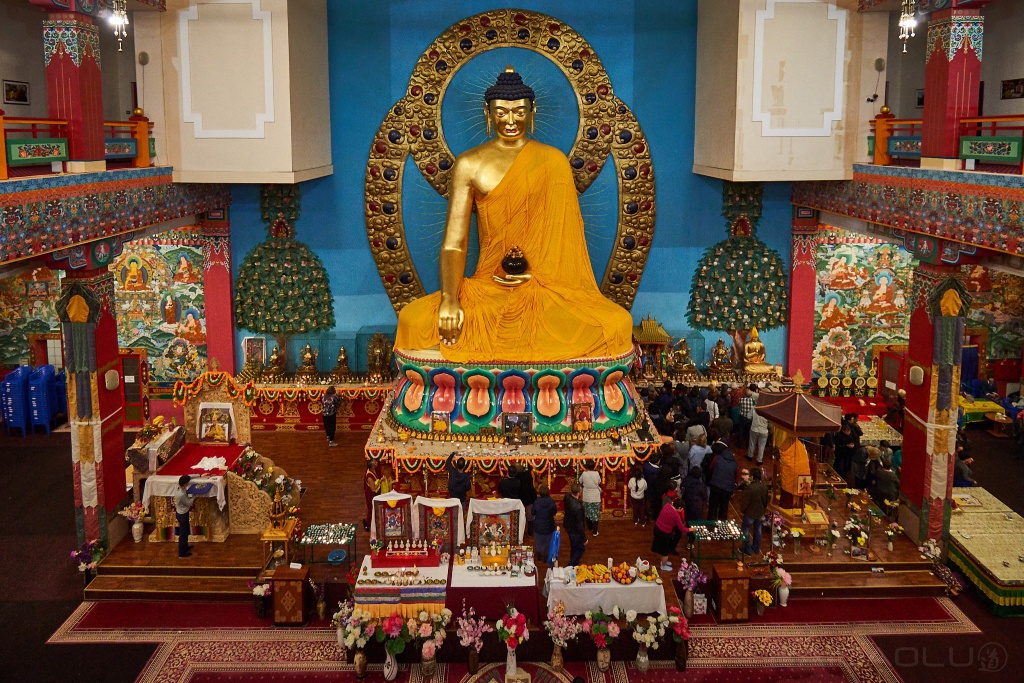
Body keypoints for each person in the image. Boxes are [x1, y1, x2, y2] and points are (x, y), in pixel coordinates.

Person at [394, 67, 633, 361]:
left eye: (519, 112)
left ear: (532, 112)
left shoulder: (553, 161)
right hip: (488, 288)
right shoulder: (469, 164)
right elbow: (454, 242)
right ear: (488, 112)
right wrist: (449, 300)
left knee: (617, 323)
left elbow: (566, 248)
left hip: (545, 290)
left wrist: (536, 276)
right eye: (502, 112)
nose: (510, 121)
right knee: (412, 319)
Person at [651, 497, 690, 572]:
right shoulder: (676, 515)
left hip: (657, 528)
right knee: (665, 552)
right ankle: (663, 565)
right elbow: (682, 529)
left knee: (661, 548)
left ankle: (663, 561)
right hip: (664, 533)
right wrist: (692, 529)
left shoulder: (667, 505)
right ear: (679, 508)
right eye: (682, 509)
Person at [739, 469, 769, 556]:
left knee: (745, 530)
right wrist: (763, 510)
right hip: (760, 512)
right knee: (758, 530)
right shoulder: (764, 487)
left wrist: (742, 510)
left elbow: (746, 501)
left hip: (750, 513)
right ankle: (756, 548)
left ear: (752, 477)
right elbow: (766, 500)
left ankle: (747, 549)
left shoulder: (750, 487)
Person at [707, 441, 738, 521]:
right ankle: (722, 528)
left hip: (715, 486)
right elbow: (736, 478)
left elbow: (711, 468)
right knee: (724, 508)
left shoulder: (717, 457)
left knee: (713, 507)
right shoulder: (735, 464)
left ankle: (710, 527)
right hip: (727, 489)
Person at [532, 484, 558, 563]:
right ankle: (546, 555)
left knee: (538, 540)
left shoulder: (536, 502)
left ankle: (539, 553)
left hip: (538, 524)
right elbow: (554, 512)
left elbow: (533, 512)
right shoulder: (551, 501)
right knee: (548, 541)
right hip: (549, 524)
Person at [563, 483, 587, 566]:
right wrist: (584, 538)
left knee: (574, 547)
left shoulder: (567, 497)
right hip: (575, 530)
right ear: (579, 493)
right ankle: (570, 566)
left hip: (568, 526)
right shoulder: (577, 507)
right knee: (580, 549)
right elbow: (579, 524)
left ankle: (574, 566)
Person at [681, 466, 705, 546]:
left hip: (687, 504)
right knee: (695, 523)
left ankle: (688, 533)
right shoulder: (700, 485)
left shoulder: (686, 480)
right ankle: (690, 541)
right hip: (696, 507)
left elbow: (682, 488)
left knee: (688, 520)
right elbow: (704, 496)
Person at [579, 460, 603, 536]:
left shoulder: (584, 474)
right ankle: (595, 531)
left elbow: (580, 481)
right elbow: (599, 481)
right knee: (596, 514)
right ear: (594, 466)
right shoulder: (596, 473)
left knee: (587, 512)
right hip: (596, 496)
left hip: (587, 496)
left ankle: (589, 527)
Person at [175, 475, 195, 558]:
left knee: (185, 531)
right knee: (183, 534)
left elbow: (189, 477)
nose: (187, 485)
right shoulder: (181, 495)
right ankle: (182, 553)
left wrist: (200, 475)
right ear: (184, 484)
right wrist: (194, 495)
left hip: (182, 512)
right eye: (187, 484)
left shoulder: (179, 488)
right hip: (182, 514)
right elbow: (189, 503)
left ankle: (185, 547)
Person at [517, 464, 537, 536]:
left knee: (520, 518)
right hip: (529, 501)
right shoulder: (528, 477)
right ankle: (530, 532)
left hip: (519, 501)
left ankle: (520, 533)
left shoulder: (518, 478)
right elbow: (533, 492)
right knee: (530, 518)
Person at [363, 463, 380, 531]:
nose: (376, 462)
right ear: (372, 465)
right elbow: (373, 489)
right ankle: (367, 523)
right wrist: (380, 481)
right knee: (371, 508)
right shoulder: (369, 477)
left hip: (374, 494)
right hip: (371, 495)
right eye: (375, 462)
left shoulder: (373, 470)